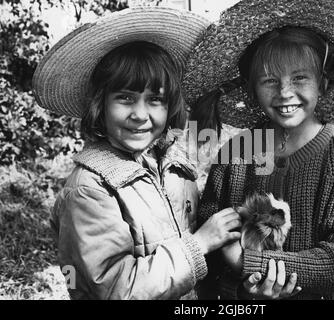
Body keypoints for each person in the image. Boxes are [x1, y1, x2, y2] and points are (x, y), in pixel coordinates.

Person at [183, 0, 334, 299]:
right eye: (269, 80)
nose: (284, 93)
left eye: (299, 78)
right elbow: (210, 238)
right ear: (252, 89)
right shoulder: (236, 152)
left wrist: (247, 262)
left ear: (323, 83)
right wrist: (242, 286)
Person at [31, 6, 247, 300]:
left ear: (170, 106)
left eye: (155, 100)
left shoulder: (173, 167)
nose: (140, 115)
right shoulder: (89, 190)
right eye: (126, 98)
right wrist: (199, 244)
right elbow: (115, 289)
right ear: (100, 104)